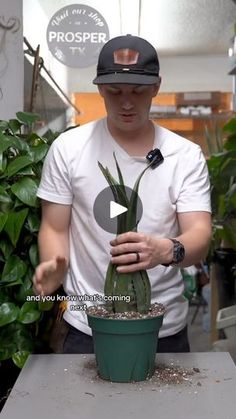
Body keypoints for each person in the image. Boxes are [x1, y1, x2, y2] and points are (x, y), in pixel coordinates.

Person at [33, 34, 211, 353]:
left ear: (156, 86)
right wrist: (53, 265)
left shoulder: (185, 155)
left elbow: (199, 233)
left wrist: (166, 250)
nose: (126, 102)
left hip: (163, 329)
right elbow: (54, 226)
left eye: (138, 91)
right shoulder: (69, 149)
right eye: (115, 92)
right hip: (87, 326)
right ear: (100, 88)